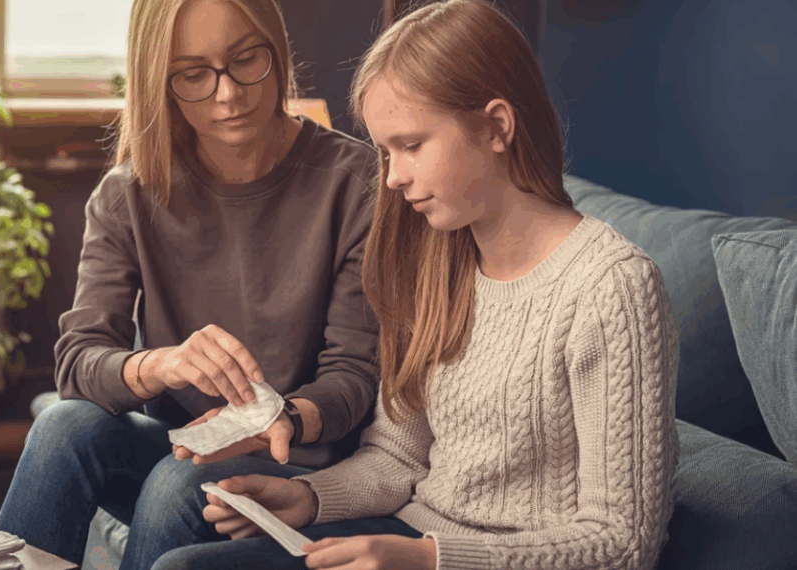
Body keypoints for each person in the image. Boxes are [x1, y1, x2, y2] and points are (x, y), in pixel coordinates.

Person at [151, 1, 680, 569]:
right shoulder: (438, 264)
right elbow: (396, 459)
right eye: (384, 151)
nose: (394, 177)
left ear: (497, 126)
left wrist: (430, 559)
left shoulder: (612, 288)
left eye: (411, 146)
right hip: (408, 533)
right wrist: (308, 498)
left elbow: (624, 544)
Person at [0, 0, 382, 569]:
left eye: (246, 60)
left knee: (179, 484)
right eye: (195, 75)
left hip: (295, 455)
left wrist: (279, 418)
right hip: (180, 441)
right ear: (161, 82)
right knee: (60, 425)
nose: (228, 94)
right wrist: (161, 365)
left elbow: (353, 377)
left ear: (277, 50)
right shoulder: (127, 194)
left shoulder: (355, 183)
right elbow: (77, 362)